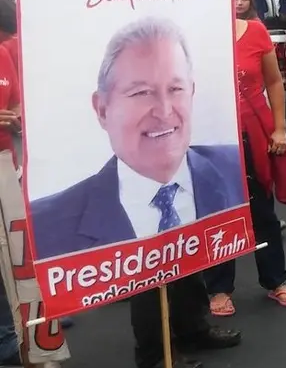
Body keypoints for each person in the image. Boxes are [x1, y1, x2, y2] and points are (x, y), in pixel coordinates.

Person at [29, 17, 247, 260]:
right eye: (142, 93)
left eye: (175, 89)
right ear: (102, 109)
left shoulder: (235, 169)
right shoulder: (47, 224)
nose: (164, 111)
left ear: (192, 92)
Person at [205, 9, 286, 316]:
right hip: (213, 138)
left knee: (262, 210)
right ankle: (219, 288)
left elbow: (274, 82)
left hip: (254, 132)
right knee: (218, 212)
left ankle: (276, 281)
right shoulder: (193, 34)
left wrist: (279, 129)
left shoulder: (256, 32)